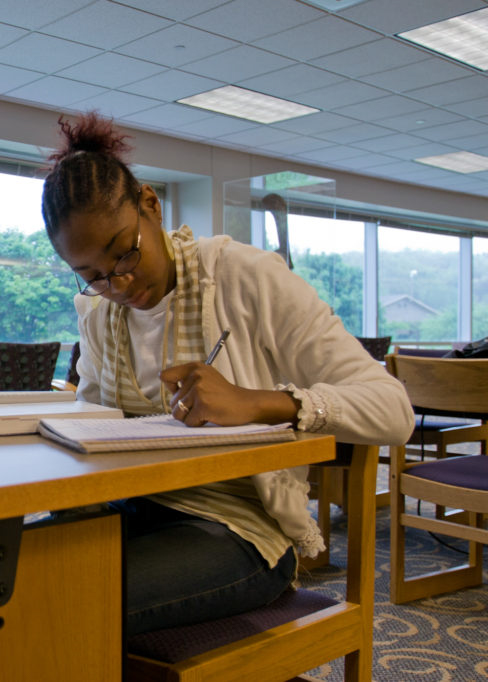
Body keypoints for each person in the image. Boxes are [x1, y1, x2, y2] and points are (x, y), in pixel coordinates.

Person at [40, 112, 414, 636]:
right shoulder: (101, 312)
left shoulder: (242, 276)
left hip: (237, 530)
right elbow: (97, 425)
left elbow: (394, 410)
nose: (119, 282)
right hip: (136, 507)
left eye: (125, 252)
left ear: (151, 203)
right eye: (93, 275)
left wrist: (260, 401)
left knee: (52, 601)